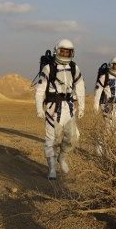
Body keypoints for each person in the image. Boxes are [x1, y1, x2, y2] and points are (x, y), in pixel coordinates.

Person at [34, 39, 85, 179]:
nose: (65, 53)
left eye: (68, 51)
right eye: (62, 50)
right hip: (52, 109)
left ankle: (62, 158)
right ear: (57, 50)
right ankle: (51, 168)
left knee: (73, 138)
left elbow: (80, 88)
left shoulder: (74, 68)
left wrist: (81, 107)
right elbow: (40, 90)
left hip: (68, 108)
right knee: (52, 139)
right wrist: (39, 108)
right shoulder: (48, 68)